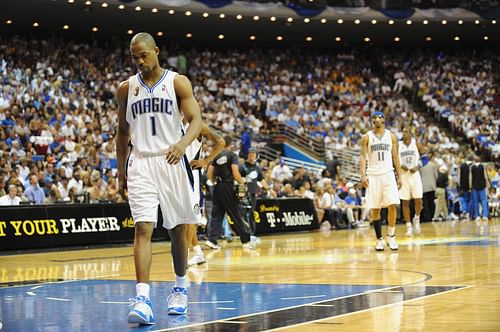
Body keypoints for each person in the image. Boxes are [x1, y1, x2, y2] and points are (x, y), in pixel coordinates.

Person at [116, 32, 202, 325]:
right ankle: (142, 299)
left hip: (172, 160)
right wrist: (120, 170)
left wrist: (182, 144)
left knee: (178, 230)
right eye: (134, 57)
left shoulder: (177, 82)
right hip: (140, 162)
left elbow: (196, 121)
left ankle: (180, 287)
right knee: (143, 228)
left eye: (144, 55)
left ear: (156, 51)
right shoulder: (126, 89)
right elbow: (122, 134)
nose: (139, 61)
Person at [359, 111, 402, 251]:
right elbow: (362, 157)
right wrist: (363, 175)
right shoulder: (367, 137)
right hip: (373, 175)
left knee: (392, 205)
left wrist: (399, 176)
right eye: (375, 117)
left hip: (388, 173)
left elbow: (395, 157)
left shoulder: (391, 136)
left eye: (380, 117)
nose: (377, 119)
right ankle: (379, 239)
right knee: (375, 209)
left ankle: (391, 236)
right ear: (372, 120)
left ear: (384, 119)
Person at [185, 123, 225, 266]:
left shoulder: (198, 126)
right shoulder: (169, 123)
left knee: (189, 218)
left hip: (192, 175)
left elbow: (220, 142)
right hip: (175, 175)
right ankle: (198, 253)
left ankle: (183, 258)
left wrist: (206, 161)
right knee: (182, 220)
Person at [206, 136, 255, 250]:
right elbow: (235, 172)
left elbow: (209, 174)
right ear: (230, 144)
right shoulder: (232, 155)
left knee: (216, 215)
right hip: (227, 186)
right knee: (235, 213)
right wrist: (242, 183)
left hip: (217, 187)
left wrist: (215, 182)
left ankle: (212, 240)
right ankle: (246, 241)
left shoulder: (215, 155)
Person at [398, 127, 425, 236]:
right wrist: (399, 166)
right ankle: (408, 226)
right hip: (404, 176)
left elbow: (425, 158)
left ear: (411, 133)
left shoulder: (416, 144)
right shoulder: (398, 145)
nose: (405, 133)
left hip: (414, 175)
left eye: (407, 132)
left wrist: (418, 167)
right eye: (403, 132)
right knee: (405, 202)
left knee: (419, 200)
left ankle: (417, 218)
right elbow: (393, 159)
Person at [239, 147, 269, 243]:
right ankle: (248, 235)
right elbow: (240, 180)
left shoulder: (257, 168)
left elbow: (262, 180)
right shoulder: (242, 167)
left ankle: (252, 234)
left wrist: (268, 188)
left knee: (251, 213)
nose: (252, 155)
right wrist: (241, 194)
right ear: (247, 155)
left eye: (253, 153)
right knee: (245, 214)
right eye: (250, 153)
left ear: (256, 156)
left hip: (252, 194)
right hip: (244, 194)